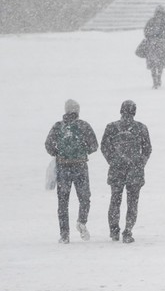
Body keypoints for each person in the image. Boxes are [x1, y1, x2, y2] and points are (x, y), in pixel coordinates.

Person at [44, 99, 99, 244]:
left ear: (65, 111)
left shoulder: (58, 126)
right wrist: (82, 152)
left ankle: (64, 235)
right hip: (80, 167)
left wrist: (59, 153)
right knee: (84, 197)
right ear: (78, 111)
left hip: (63, 168)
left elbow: (48, 145)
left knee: (63, 202)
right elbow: (94, 146)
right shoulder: (83, 125)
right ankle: (81, 221)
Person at [100, 100, 152, 243]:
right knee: (132, 203)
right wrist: (140, 163)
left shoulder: (111, 127)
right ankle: (128, 231)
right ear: (134, 112)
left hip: (117, 170)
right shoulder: (141, 128)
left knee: (115, 200)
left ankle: (114, 230)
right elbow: (147, 149)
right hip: (134, 171)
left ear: (121, 110)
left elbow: (104, 147)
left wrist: (113, 160)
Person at [144, 5, 165, 89]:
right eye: (158, 13)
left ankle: (158, 78)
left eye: (161, 13)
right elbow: (146, 32)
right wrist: (153, 36)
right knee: (153, 64)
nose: (159, 15)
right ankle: (155, 80)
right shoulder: (151, 21)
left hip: (161, 46)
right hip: (152, 46)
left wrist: (158, 36)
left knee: (160, 64)